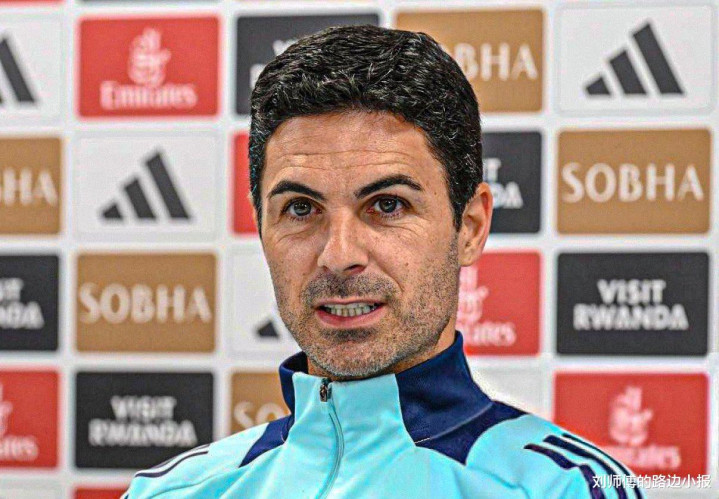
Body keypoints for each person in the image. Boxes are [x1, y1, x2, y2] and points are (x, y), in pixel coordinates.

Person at [124, 25, 641, 498]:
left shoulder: (565, 490)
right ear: (261, 226)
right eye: (300, 208)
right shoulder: (174, 493)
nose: (339, 255)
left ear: (470, 226)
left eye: (388, 205)